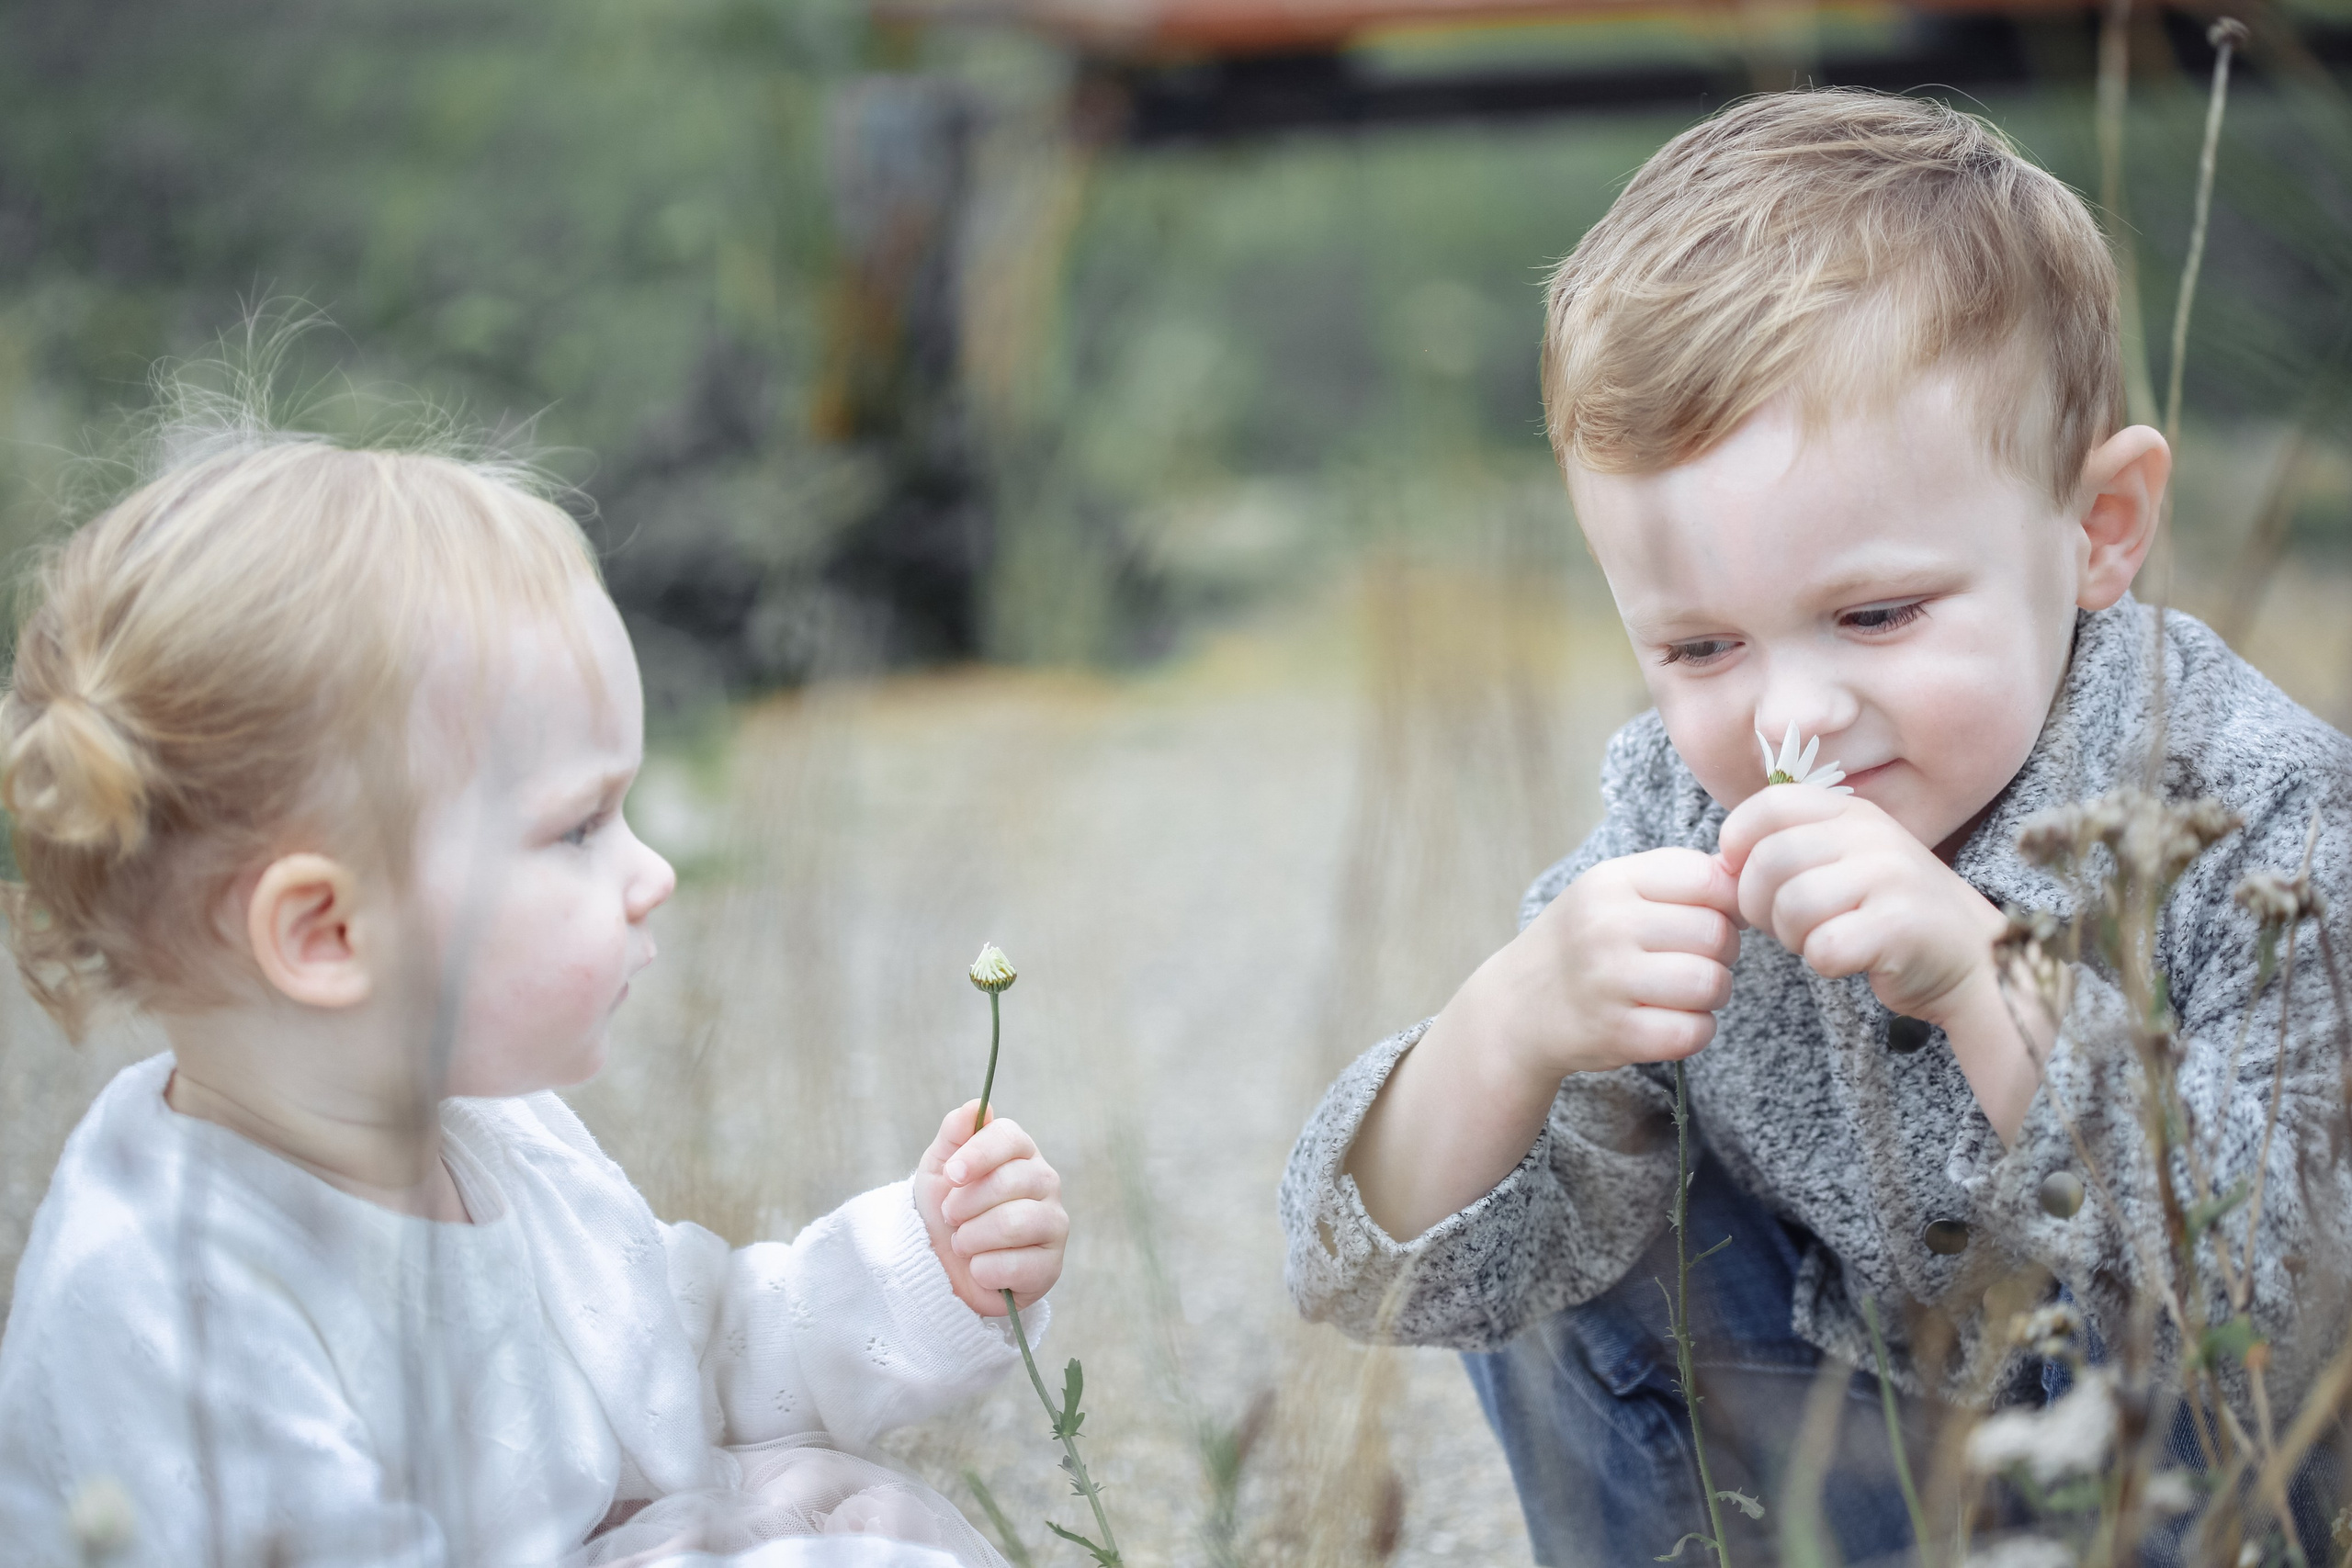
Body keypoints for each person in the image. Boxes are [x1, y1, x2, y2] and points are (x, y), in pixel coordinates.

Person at [1280, 90, 2352, 1565]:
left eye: (1877, 614)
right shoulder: (1673, 808)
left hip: (2169, 1478)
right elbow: (1379, 1270)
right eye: (1701, 648)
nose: (1796, 712)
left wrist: (1994, 977)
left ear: (2099, 526)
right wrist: (1515, 1020)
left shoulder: (2256, 805)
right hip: (1851, 1458)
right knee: (1552, 1202)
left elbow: (2293, 1274)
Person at [0, 420, 1069, 1567]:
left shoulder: (484, 1137)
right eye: (578, 827)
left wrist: (920, 1262)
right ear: (327, 931)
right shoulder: (179, 1305)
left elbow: (682, 1364)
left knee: (854, 1514)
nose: (652, 876)